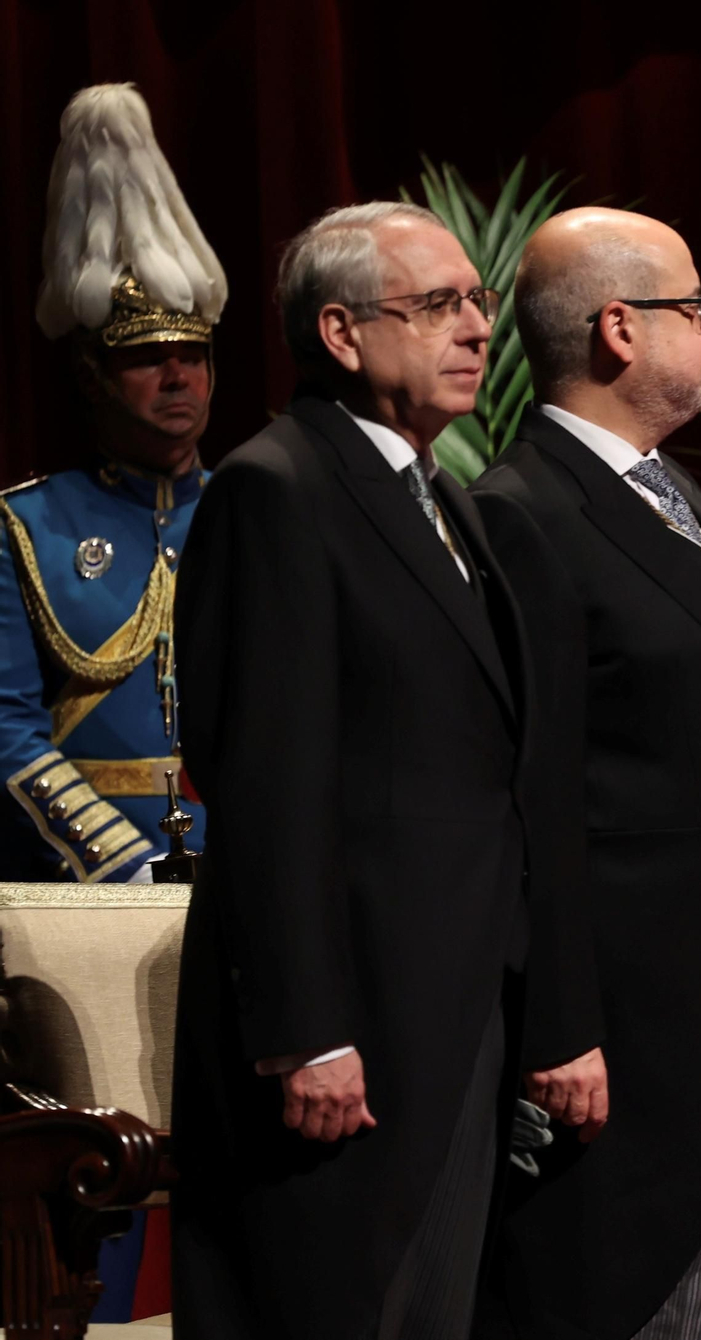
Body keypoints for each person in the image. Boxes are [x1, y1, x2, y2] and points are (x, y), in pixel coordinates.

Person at [169, 200, 592, 1340]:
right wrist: (307, 1026)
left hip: (455, 1010)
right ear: (342, 333)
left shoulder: (443, 496)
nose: (473, 329)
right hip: (346, 1025)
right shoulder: (281, 488)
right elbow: (263, 778)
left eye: (478, 301)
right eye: (436, 305)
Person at [470, 207, 701, 1340]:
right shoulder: (521, 513)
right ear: (620, 329)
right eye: (696, 307)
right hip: (632, 1034)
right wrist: (558, 1026)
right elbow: (536, 796)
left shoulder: (679, 498)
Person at [0, 82, 225, 887]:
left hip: (249, 875)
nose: (177, 376)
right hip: (84, 885)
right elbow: (6, 725)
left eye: (193, 356)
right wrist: (122, 863)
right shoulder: (26, 523)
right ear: (93, 376)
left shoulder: (256, 509)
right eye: (145, 358)